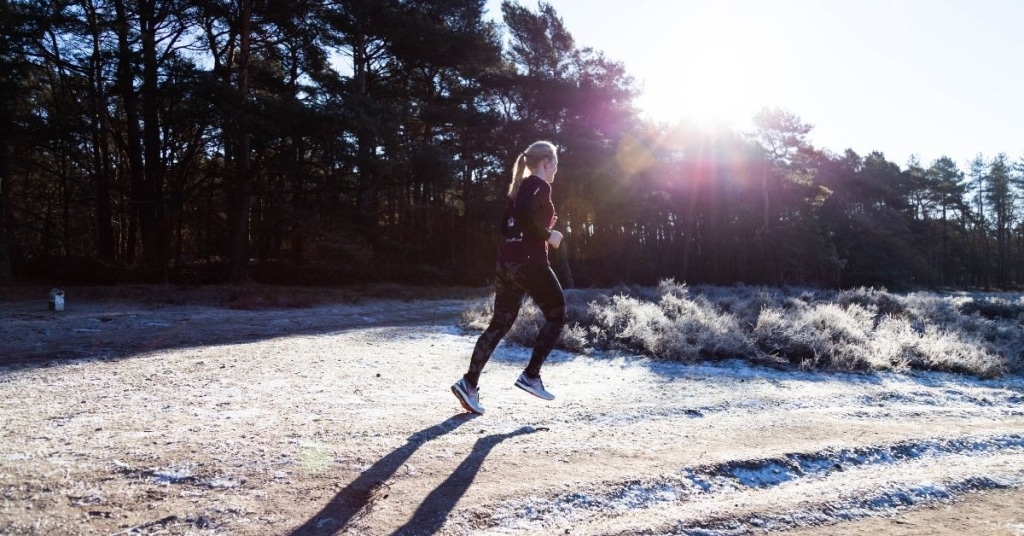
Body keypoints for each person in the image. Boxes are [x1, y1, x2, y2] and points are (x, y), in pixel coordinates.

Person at [451, 140, 567, 415]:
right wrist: (548, 235)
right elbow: (526, 217)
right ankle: (532, 375)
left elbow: (506, 225)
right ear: (546, 163)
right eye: (555, 166)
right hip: (529, 263)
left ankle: (469, 384)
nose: (555, 172)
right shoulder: (539, 186)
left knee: (499, 324)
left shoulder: (519, 191)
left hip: (507, 264)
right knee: (558, 314)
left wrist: (537, 228)